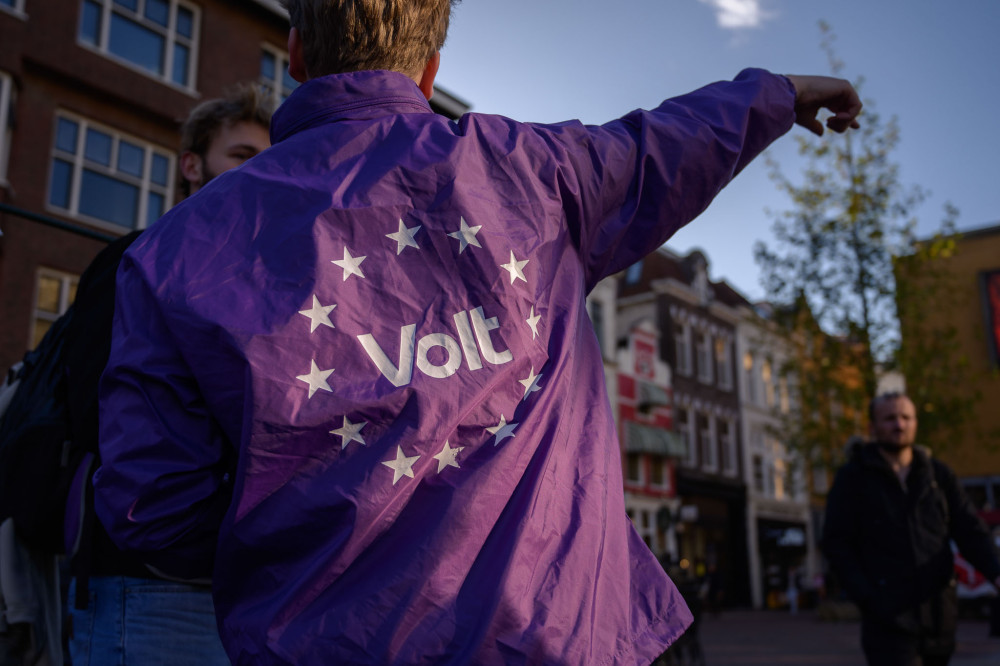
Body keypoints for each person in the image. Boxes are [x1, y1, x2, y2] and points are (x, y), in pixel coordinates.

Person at [93, 1, 862, 662]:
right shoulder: (533, 171)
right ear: (429, 69)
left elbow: (149, 507)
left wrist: (296, 537)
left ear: (295, 54)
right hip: (548, 637)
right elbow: (666, 143)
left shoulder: (172, 252)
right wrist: (780, 93)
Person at [63, 85, 271, 665]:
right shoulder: (138, 259)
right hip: (150, 586)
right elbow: (94, 416)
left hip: (250, 589)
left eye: (270, 159)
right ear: (191, 165)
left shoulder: (266, 277)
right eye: (242, 156)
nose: (261, 172)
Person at [822, 392, 1000, 666]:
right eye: (890, 418)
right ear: (872, 427)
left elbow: (969, 529)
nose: (899, 425)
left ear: (916, 422)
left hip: (939, 616)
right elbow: (836, 543)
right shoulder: (854, 477)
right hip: (888, 622)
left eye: (906, 417)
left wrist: (996, 572)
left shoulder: (937, 475)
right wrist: (868, 597)